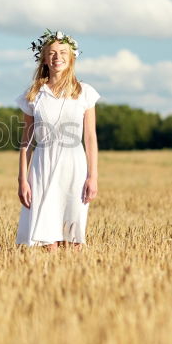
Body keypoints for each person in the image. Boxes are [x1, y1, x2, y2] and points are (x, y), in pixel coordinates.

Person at [15, 29, 100, 251]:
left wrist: (93, 176)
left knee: (73, 235)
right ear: (43, 58)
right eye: (51, 52)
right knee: (47, 237)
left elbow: (90, 137)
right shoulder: (34, 94)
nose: (57, 57)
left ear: (72, 57)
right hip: (43, 165)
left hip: (74, 165)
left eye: (63, 52)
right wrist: (22, 179)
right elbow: (26, 142)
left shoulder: (85, 92)